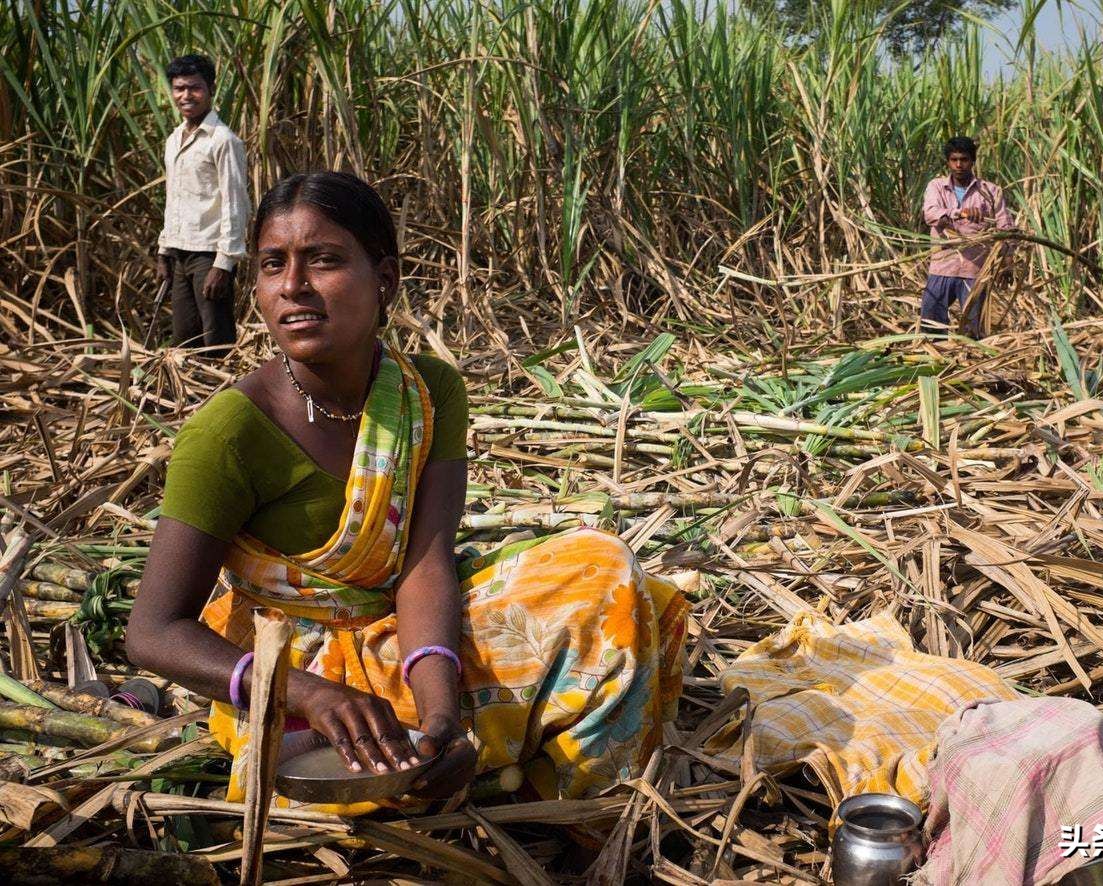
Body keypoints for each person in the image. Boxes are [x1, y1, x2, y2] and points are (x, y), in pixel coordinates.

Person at [126, 172, 687, 813]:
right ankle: (489, 760)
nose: (292, 288)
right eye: (272, 265)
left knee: (604, 572)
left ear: (386, 279)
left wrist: (441, 712)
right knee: (347, 782)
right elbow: (153, 632)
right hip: (294, 669)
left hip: (413, 634)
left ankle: (559, 803)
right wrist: (306, 694)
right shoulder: (227, 433)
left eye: (324, 261)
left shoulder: (426, 393)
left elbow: (425, 565)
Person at [155, 54, 250, 352]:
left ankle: (224, 395)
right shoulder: (174, 140)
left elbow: (236, 204)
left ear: (210, 89)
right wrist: (164, 251)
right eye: (179, 88)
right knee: (184, 338)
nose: (186, 96)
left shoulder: (223, 141)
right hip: (181, 252)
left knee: (216, 338)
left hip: (209, 254)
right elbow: (175, 199)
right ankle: (189, 398)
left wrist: (224, 264)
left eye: (194, 88)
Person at [920, 136, 1015, 337]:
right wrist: (959, 214)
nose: (958, 165)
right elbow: (931, 213)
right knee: (931, 322)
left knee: (974, 326)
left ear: (972, 161)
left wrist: (1008, 261)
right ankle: (932, 362)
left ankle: (972, 364)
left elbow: (1005, 227)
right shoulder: (936, 187)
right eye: (954, 160)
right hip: (943, 265)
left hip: (975, 269)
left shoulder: (991, 191)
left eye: (964, 160)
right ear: (948, 161)